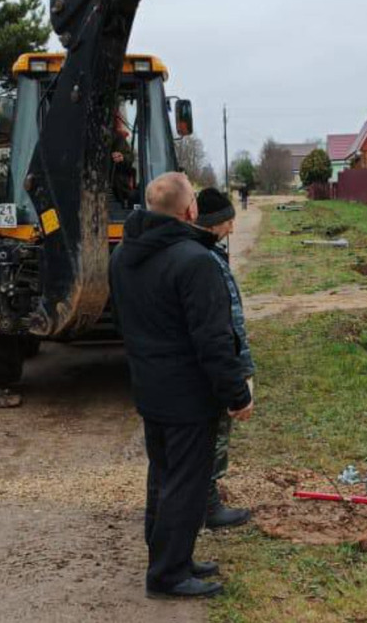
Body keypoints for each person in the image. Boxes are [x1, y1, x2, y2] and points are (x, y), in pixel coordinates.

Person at [110, 172, 253, 600]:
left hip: (150, 389)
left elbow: (124, 325)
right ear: (189, 210)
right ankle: (168, 575)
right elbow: (212, 341)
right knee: (185, 484)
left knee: (163, 477)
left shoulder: (123, 256)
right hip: (188, 396)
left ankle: (172, 556)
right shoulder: (194, 261)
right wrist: (236, 394)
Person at [195, 188, 255, 528]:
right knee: (214, 434)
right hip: (214, 370)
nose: (233, 228)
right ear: (214, 223)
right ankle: (208, 505)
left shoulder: (210, 255)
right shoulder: (205, 260)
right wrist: (240, 373)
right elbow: (227, 325)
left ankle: (206, 499)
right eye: (229, 221)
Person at [110, 111, 136, 206]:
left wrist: (123, 158)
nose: (120, 122)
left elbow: (130, 159)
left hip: (119, 191)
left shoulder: (121, 140)